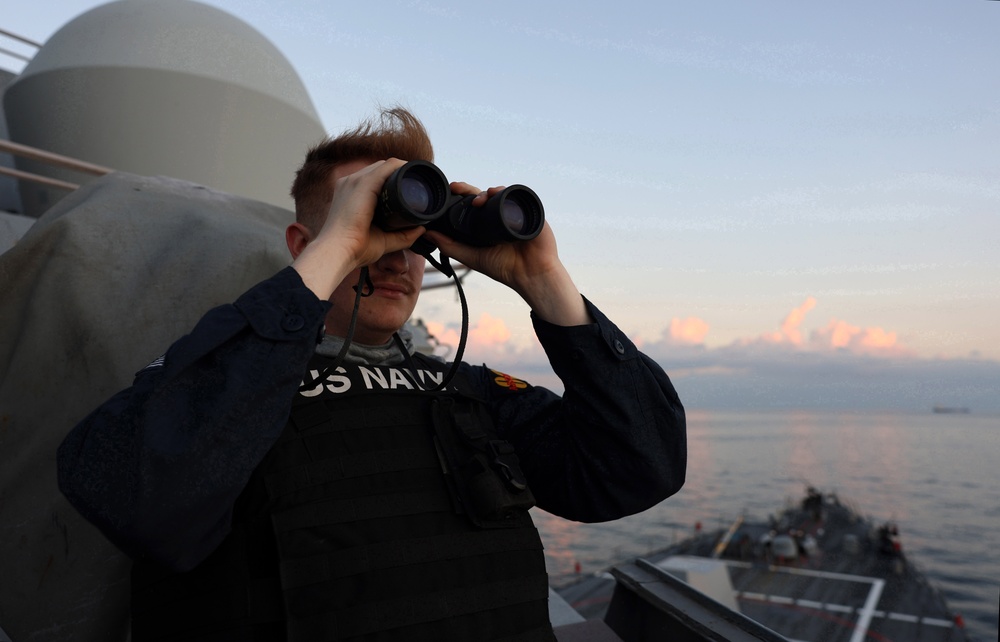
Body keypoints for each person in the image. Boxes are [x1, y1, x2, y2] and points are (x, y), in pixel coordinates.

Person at [57, 108, 686, 641]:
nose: (395, 259)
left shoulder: (466, 394)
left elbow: (639, 468)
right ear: (305, 244)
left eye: (412, 239)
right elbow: (136, 500)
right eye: (369, 229)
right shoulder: (220, 387)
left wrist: (543, 280)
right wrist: (335, 254)